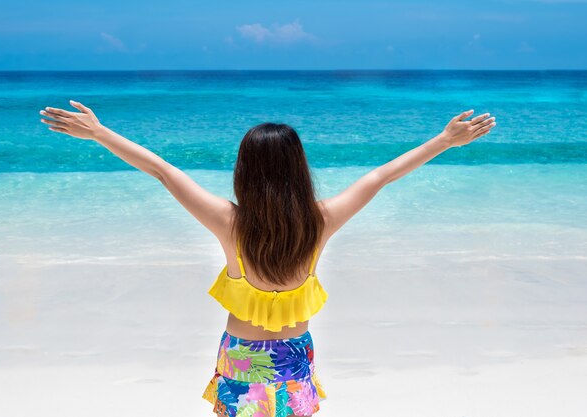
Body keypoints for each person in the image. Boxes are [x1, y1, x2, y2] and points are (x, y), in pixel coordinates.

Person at [39, 101, 496, 417]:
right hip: (296, 353)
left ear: (244, 170)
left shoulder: (228, 222)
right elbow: (380, 177)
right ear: (299, 168)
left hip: (242, 356)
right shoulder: (321, 220)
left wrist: (98, 133)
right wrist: (443, 141)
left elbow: (162, 170)